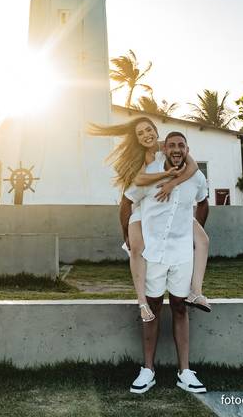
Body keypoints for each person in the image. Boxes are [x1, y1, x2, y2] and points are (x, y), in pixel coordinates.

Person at [89, 117, 210, 321]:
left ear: (156, 130)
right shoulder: (145, 156)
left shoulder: (168, 146)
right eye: (140, 133)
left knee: (203, 240)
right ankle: (143, 303)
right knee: (136, 247)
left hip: (173, 209)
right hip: (144, 208)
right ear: (136, 139)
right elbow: (139, 181)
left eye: (148, 130)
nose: (146, 135)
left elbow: (193, 168)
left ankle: (196, 291)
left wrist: (173, 183)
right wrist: (165, 177)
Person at [122, 131, 209, 394]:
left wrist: (194, 232)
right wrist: (128, 236)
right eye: (171, 145)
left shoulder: (196, 177)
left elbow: (203, 202)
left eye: (181, 145)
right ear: (164, 148)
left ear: (187, 149)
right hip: (153, 254)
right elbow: (126, 201)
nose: (176, 149)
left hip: (182, 254)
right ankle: (148, 370)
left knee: (181, 307)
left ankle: (185, 372)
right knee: (154, 307)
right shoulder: (149, 173)